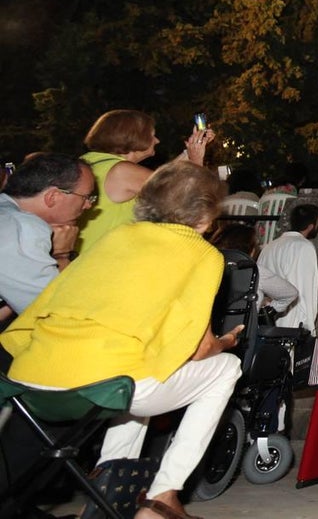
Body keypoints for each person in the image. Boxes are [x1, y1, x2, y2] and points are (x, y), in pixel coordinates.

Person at [0, 161, 243, 519]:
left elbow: (48, 300)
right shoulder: (203, 254)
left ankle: (110, 483)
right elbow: (198, 350)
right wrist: (225, 342)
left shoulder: (114, 238)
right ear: (205, 217)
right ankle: (163, 497)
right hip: (101, 381)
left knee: (138, 369)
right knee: (225, 369)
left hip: (28, 380)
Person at [77, 109, 214, 253]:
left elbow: (165, 177)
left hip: (88, 257)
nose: (157, 141)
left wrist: (189, 152)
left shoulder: (93, 162)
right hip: (108, 259)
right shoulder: (122, 171)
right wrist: (197, 159)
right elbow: (184, 197)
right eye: (152, 135)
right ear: (136, 137)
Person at [0, 154, 95, 317]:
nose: (88, 205)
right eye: (86, 197)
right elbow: (57, 311)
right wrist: (62, 256)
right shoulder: (23, 227)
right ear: (53, 197)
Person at [256, 203, 318, 333]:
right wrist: (309, 327)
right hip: (292, 321)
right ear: (311, 226)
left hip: (265, 319)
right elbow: (305, 290)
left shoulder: (269, 246)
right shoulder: (305, 247)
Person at [210, 223, 298, 319]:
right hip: (242, 329)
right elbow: (290, 293)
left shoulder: (208, 266)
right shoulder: (254, 271)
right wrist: (269, 310)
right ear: (251, 250)